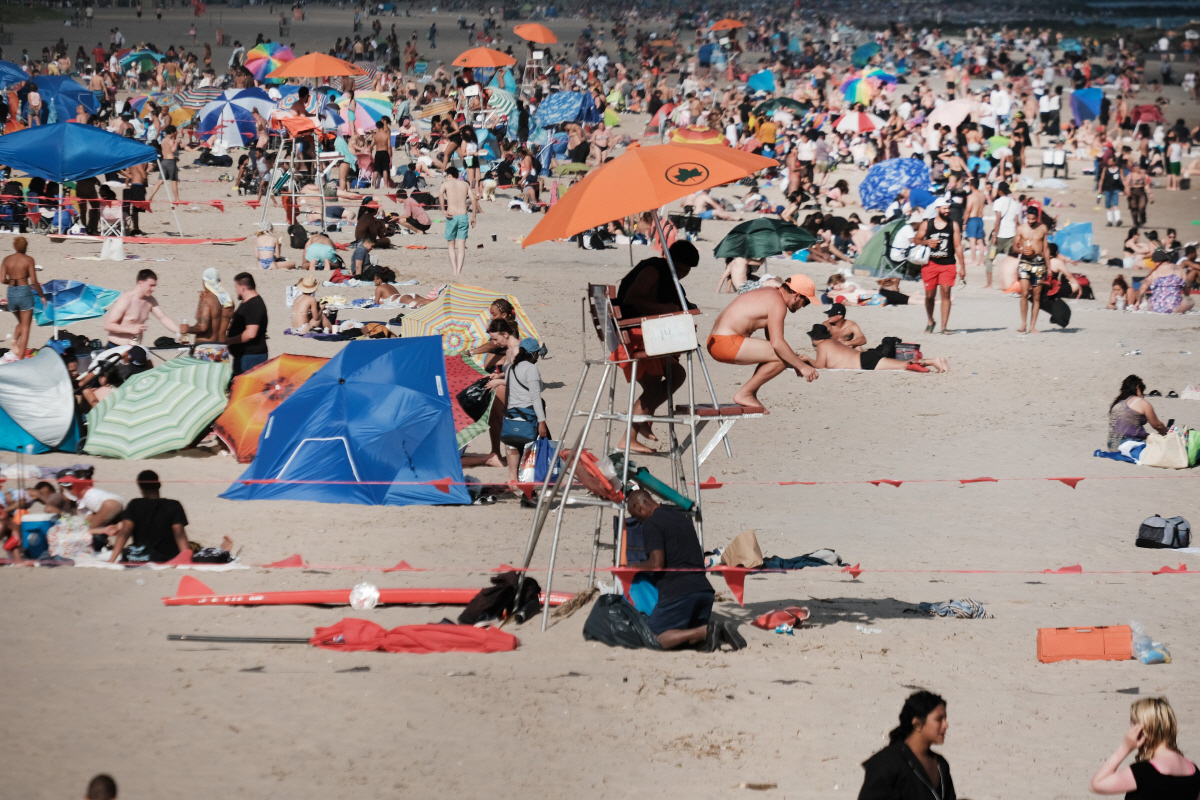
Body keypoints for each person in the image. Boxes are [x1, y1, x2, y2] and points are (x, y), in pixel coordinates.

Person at [624, 490, 742, 652]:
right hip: (704, 592)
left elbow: (657, 564)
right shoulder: (681, 517)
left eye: (636, 517)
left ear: (638, 507)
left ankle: (705, 631)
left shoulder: (652, 523)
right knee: (684, 639)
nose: (639, 521)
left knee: (652, 638)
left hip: (679, 593)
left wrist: (631, 567)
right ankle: (715, 633)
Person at [614, 241, 699, 453]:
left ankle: (644, 416)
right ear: (669, 259)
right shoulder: (653, 270)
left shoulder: (670, 278)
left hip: (649, 335)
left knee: (677, 375)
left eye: (686, 272)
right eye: (678, 269)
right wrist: (663, 308)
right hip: (634, 336)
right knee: (652, 387)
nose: (681, 274)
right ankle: (628, 437)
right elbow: (631, 299)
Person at [706, 274, 820, 412]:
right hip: (727, 343)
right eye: (806, 302)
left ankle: (750, 394)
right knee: (782, 355)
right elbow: (777, 344)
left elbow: (771, 339)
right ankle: (745, 393)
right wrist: (802, 366)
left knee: (784, 354)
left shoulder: (770, 293)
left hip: (716, 341)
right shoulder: (778, 303)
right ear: (796, 295)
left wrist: (794, 360)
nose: (803, 306)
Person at [1090, 697, 1200, 797]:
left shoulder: (1143, 772)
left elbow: (1096, 784)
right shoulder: (1193, 770)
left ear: (1143, 730)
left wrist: (1125, 748)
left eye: (1132, 724)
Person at [858, 690, 956, 800]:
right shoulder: (887, 763)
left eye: (945, 719)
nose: (946, 725)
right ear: (917, 723)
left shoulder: (941, 764)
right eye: (939, 719)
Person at [485, 336, 548, 488]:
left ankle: (513, 482)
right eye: (537, 354)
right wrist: (542, 421)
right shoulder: (531, 369)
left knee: (512, 448)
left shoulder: (511, 368)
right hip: (529, 417)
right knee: (532, 451)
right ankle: (529, 488)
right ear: (533, 354)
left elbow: (510, 391)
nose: (538, 357)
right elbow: (535, 397)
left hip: (511, 417)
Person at [912, 199, 963, 333]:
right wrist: (927, 242)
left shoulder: (953, 225)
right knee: (929, 296)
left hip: (948, 263)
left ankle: (944, 327)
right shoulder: (927, 224)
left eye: (948, 209)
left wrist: (962, 266)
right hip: (930, 263)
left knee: (946, 294)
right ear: (937, 208)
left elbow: (958, 246)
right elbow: (916, 240)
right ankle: (930, 320)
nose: (947, 211)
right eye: (944, 208)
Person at [808, 325, 949, 373]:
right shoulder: (833, 342)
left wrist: (807, 359)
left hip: (864, 363)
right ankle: (934, 360)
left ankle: (933, 361)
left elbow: (820, 366)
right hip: (866, 357)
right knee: (903, 365)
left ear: (816, 338)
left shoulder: (822, 345)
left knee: (904, 366)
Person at [103, 269, 180, 347]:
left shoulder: (150, 300)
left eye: (154, 286)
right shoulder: (126, 300)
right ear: (140, 283)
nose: (153, 289)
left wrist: (179, 332)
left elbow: (163, 318)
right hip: (116, 346)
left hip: (135, 348)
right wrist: (130, 330)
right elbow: (108, 325)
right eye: (151, 285)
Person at [0, 237, 45, 363]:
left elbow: (2, 279)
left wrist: (12, 281)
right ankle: (20, 358)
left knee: (21, 321)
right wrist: (41, 295)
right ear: (25, 247)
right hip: (24, 291)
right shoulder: (28, 260)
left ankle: (14, 340)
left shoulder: (6, 260)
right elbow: (34, 281)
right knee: (26, 326)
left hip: (11, 293)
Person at [1108, 375, 1168, 451]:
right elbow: (1157, 425)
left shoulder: (1118, 402)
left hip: (1112, 445)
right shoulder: (1141, 403)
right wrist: (1166, 432)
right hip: (1128, 445)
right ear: (1138, 388)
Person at [1014, 206, 1050, 333]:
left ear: (1037, 217)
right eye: (1028, 218)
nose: (1030, 221)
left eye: (1033, 219)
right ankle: (1023, 324)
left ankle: (1032, 326)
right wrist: (1022, 249)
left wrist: (1049, 268)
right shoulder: (1021, 228)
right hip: (1025, 262)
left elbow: (1045, 249)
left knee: (1036, 297)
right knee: (1024, 293)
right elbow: (1015, 246)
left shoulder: (1043, 228)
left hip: (1039, 263)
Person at [439, 167, 477, 276]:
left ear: (449, 175)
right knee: (461, 245)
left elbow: (440, 195)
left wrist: (443, 210)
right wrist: (474, 216)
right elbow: (473, 200)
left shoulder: (445, 184)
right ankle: (459, 271)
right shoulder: (465, 184)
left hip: (451, 216)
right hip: (463, 215)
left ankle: (454, 271)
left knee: (451, 245)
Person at [226, 273, 267, 375]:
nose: (235, 290)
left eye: (236, 287)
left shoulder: (254, 305)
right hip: (244, 355)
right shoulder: (247, 302)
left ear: (242, 287)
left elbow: (250, 333)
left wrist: (228, 341)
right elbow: (242, 324)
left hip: (251, 356)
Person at [179, 268, 234, 344]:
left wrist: (187, 329)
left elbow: (202, 327)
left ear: (204, 281)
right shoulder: (228, 300)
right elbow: (228, 324)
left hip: (206, 347)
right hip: (221, 348)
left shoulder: (207, 300)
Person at [989, 182, 1020, 283]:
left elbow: (998, 220)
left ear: (1000, 191)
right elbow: (1016, 222)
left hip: (1000, 234)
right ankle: (1014, 281)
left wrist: (994, 236)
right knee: (1012, 259)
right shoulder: (1014, 203)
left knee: (989, 258)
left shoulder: (998, 202)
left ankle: (989, 283)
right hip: (1011, 234)